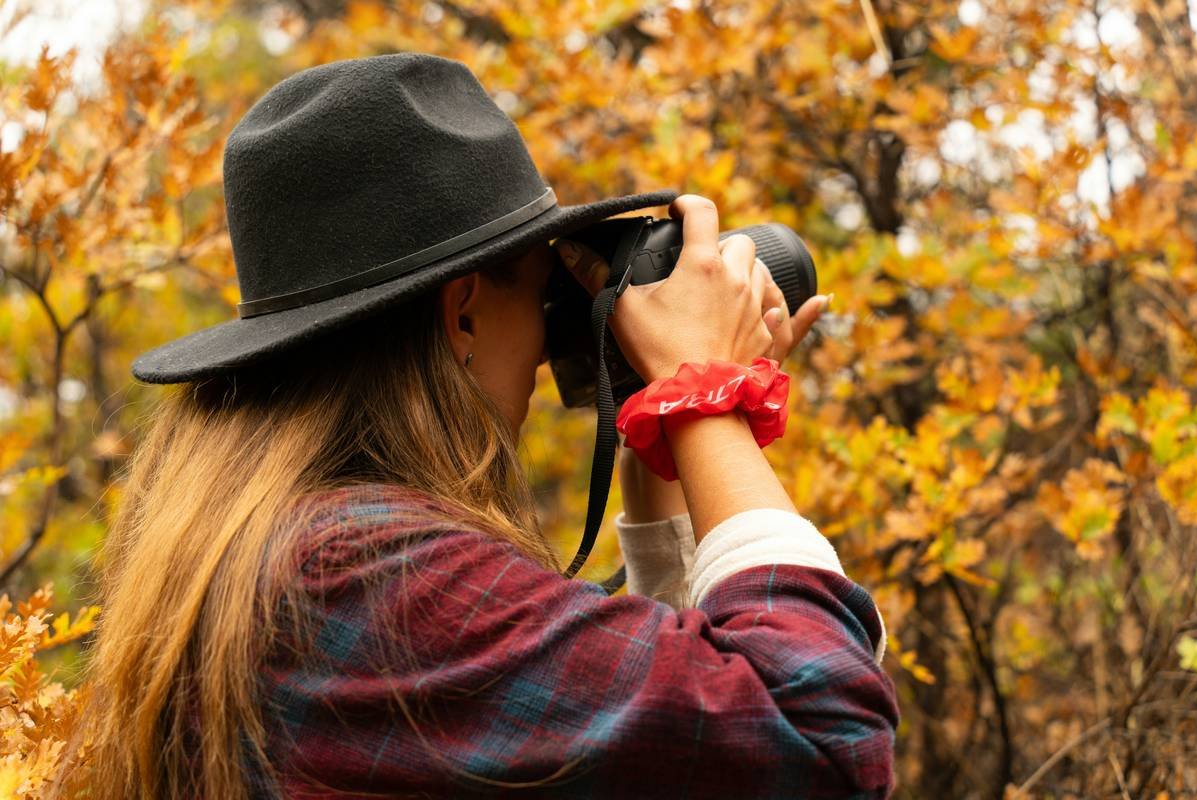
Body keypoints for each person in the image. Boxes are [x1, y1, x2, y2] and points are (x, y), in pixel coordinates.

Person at [59, 54, 898, 799]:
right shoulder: (359, 572)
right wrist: (704, 390)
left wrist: (659, 424)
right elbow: (821, 739)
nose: (544, 347)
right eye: (539, 295)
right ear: (462, 316)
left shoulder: (257, 553)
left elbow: (667, 754)